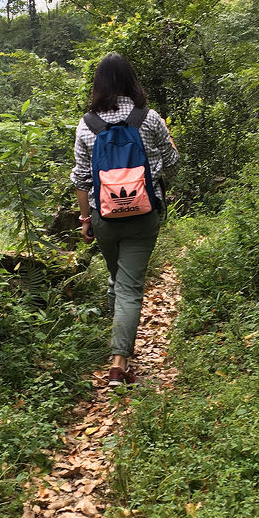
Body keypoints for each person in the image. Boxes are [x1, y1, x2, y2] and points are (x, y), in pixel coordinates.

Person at [71, 53, 181, 386]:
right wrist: (162, 182)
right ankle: (119, 364)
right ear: (131, 80)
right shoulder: (148, 119)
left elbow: (80, 178)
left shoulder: (87, 124)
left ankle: (117, 339)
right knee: (129, 287)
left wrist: (85, 219)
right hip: (144, 215)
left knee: (117, 278)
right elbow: (172, 161)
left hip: (104, 217)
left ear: (99, 84)